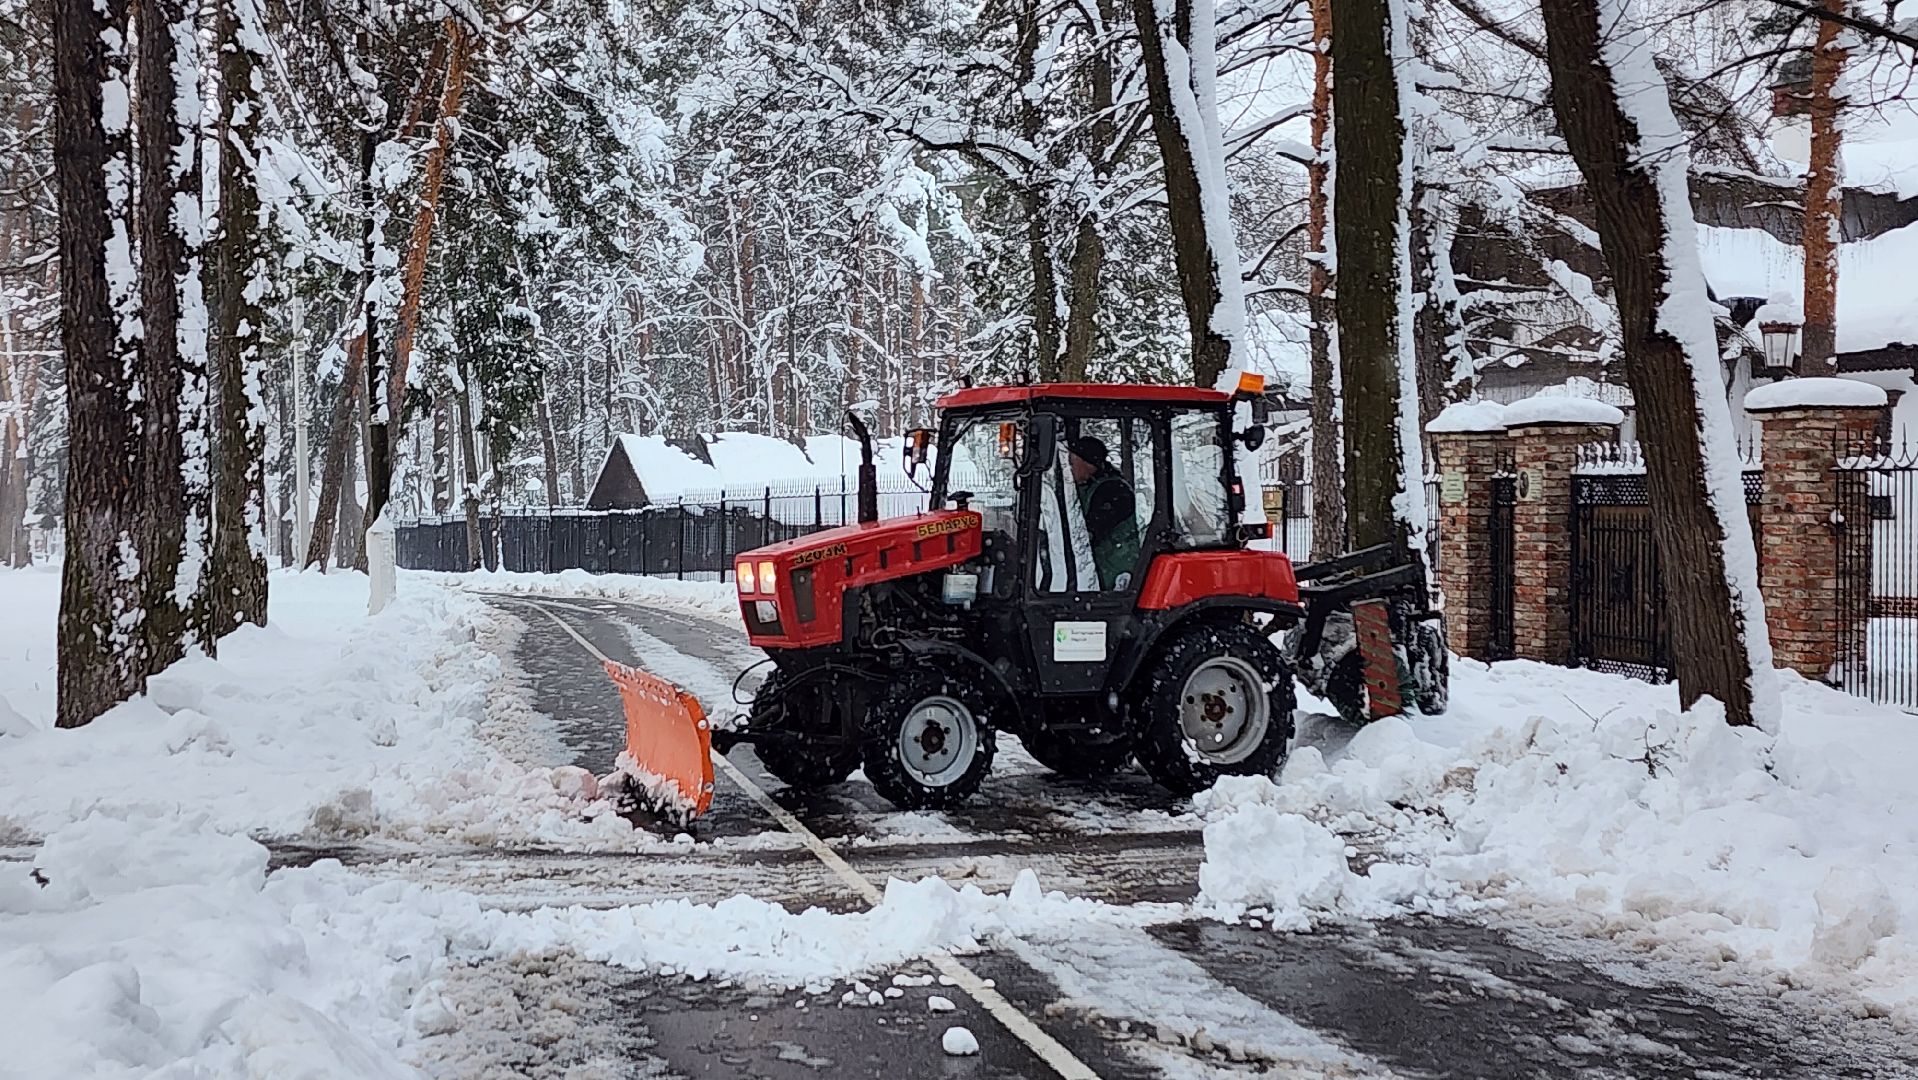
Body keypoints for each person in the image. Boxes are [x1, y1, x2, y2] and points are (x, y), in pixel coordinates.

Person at [1067, 435, 1142, 589]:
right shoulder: (1088, 486)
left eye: (1071, 463)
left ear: (1085, 464)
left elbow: (1089, 532)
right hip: (1102, 564)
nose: (1069, 469)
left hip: (1115, 568)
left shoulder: (1112, 490)